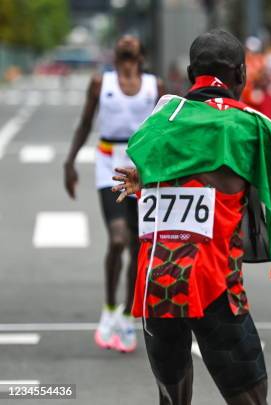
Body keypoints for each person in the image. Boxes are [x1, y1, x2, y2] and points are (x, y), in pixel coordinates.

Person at [112, 29, 271, 405]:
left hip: (156, 284)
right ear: (241, 75)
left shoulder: (163, 116)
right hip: (215, 285)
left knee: (171, 399)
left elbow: (152, 158)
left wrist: (146, 177)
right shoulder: (252, 127)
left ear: (188, 72)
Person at [63, 35, 164, 353]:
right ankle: (108, 309)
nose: (128, 39)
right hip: (108, 165)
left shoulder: (153, 86)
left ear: (141, 54)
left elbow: (164, 131)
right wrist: (70, 162)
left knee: (137, 245)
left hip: (142, 170)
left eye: (134, 39)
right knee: (117, 238)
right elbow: (84, 123)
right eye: (123, 39)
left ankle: (125, 314)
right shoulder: (100, 82)